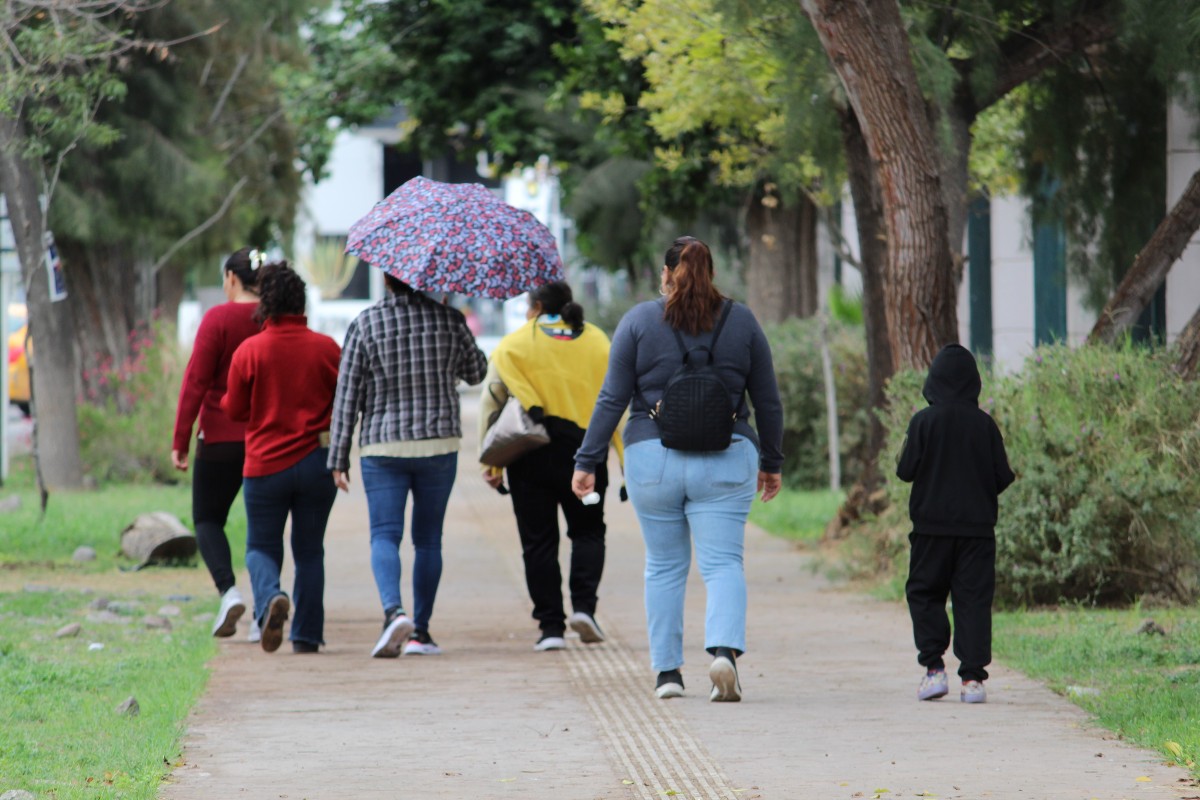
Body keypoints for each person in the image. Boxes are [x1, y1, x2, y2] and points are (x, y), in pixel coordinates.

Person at [572, 236, 783, 703]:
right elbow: (768, 400)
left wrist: (587, 460)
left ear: (666, 274)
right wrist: (771, 462)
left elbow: (612, 399)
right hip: (727, 458)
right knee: (724, 563)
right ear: (711, 273)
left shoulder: (639, 322)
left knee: (665, 567)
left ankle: (668, 674)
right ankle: (724, 653)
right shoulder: (741, 321)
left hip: (652, 460)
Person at [328, 273, 487, 658]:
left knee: (385, 535)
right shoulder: (449, 319)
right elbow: (477, 372)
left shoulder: (365, 324)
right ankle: (422, 634)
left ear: (385, 278)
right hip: (438, 443)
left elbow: (347, 395)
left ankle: (394, 612)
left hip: (383, 445)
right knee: (429, 539)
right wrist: (452, 319)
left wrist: (338, 456)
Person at [479, 281, 622, 652]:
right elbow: (619, 402)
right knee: (588, 532)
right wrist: (625, 460)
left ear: (537, 307)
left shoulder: (513, 345)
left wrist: (491, 461)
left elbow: (491, 402)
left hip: (530, 457)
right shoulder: (598, 342)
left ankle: (551, 627)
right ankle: (585, 609)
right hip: (586, 456)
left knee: (538, 542)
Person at [221, 263, 341, 654]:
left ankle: (271, 595)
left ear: (265, 303)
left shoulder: (249, 351)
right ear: (301, 302)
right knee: (309, 551)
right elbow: (344, 402)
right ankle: (306, 636)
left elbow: (235, 410)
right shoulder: (327, 349)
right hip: (316, 463)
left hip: (265, 465)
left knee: (260, 547)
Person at [896, 343, 1015, 704]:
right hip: (977, 532)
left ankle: (933, 670)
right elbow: (1002, 477)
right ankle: (972, 681)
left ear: (933, 381)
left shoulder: (922, 422)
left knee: (924, 593)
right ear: (974, 383)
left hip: (930, 530)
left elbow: (905, 471)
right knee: (973, 600)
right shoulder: (985, 425)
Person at [171, 247, 263, 641]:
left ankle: (228, 592)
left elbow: (196, 380)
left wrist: (180, 437)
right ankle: (266, 607)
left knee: (208, 519)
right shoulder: (272, 319)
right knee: (264, 528)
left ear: (231, 278)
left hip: (219, 438)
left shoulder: (218, 319)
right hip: (266, 441)